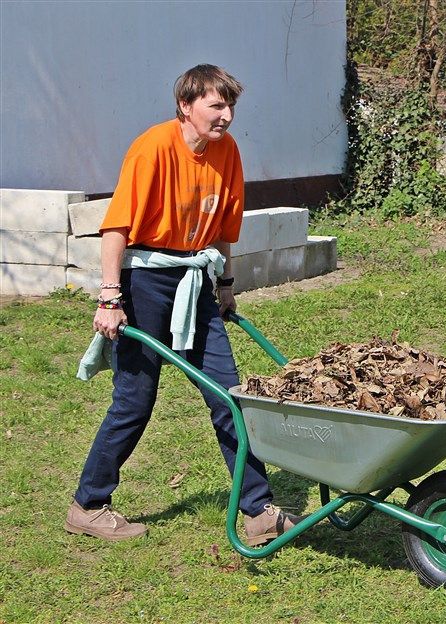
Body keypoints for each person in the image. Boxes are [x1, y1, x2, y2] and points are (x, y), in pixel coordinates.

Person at [66, 64, 298, 544]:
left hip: (195, 280)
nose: (226, 116)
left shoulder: (226, 151)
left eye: (230, 106)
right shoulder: (152, 147)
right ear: (185, 106)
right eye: (216, 105)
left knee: (229, 395)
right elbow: (116, 228)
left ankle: (257, 509)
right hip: (144, 283)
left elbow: (222, 228)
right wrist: (109, 297)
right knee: (135, 399)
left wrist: (226, 284)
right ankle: (88, 504)